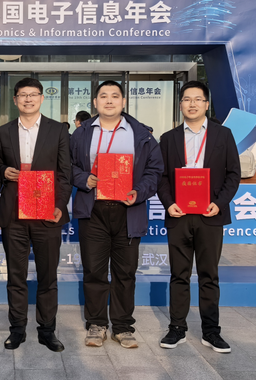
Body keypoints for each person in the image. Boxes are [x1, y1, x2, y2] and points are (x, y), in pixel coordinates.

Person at [69, 80, 163, 348]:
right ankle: (96, 323)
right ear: (95, 102)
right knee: (94, 270)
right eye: (103, 96)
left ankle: (122, 326)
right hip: (93, 210)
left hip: (128, 210)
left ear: (123, 101)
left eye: (114, 96)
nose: (109, 100)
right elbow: (67, 166)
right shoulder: (81, 134)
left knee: (125, 271)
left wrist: (138, 192)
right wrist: (83, 179)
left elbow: (155, 171)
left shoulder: (142, 134)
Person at [156, 81, 241, 353]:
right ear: (180, 104)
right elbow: (161, 177)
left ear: (206, 104)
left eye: (197, 99)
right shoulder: (168, 138)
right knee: (178, 274)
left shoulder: (223, 135)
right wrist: (169, 203)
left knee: (209, 275)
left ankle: (211, 331)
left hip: (209, 215)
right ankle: (177, 328)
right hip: (179, 215)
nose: (192, 104)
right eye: (186, 99)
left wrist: (219, 203)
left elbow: (233, 174)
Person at [0, 77, 72, 352]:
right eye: (23, 95)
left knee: (47, 276)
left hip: (46, 213)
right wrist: (3, 171)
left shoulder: (58, 130)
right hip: (14, 214)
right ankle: (17, 329)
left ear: (41, 98)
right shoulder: (2, 132)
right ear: (15, 100)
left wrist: (59, 205)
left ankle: (47, 330)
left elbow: (65, 173)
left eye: (33, 94)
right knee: (15, 276)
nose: (28, 99)